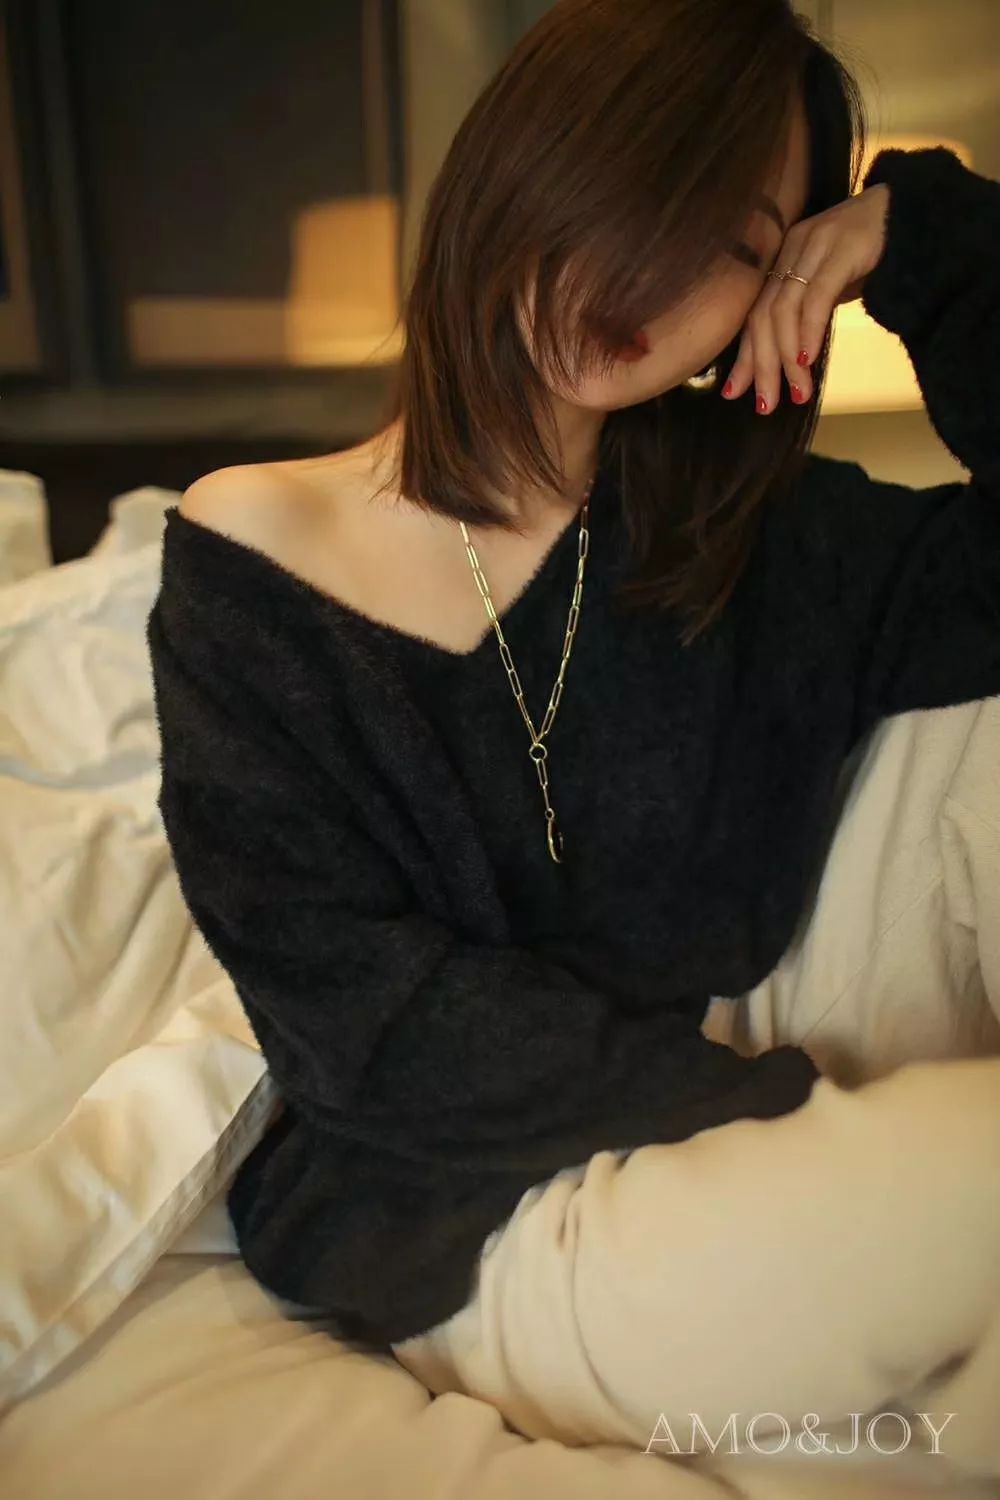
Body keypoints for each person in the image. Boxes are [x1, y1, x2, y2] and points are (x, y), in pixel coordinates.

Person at [146, 0, 1000, 1472]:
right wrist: (776, 1121)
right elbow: (366, 1019)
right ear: (522, 171)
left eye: (735, 245)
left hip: (766, 1081)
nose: (654, 276)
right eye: (634, 191)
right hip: (479, 1200)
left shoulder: (753, 538)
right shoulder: (257, 548)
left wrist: (925, 241)